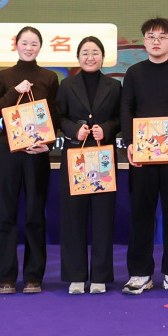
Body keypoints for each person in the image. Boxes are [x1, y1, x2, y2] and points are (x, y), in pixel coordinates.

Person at [119, 17, 168, 296]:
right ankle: (140, 274)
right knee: (141, 214)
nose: (156, 41)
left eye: (162, 37)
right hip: (142, 155)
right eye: (151, 36)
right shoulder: (134, 72)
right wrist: (130, 142)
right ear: (144, 41)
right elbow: (126, 108)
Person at [0, 26, 61, 295]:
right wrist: (13, 92)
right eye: (24, 43)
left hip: (36, 153)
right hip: (8, 151)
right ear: (16, 44)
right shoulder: (3, 76)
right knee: (6, 214)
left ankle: (33, 277)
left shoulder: (49, 77)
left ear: (40, 47)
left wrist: (47, 145)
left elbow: (55, 115)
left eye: (34, 44)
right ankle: (6, 277)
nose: (29, 48)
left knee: (34, 215)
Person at [57, 36, 121, 294]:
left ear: (102, 57)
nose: (90, 57)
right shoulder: (66, 84)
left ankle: (100, 277)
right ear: (78, 57)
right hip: (76, 154)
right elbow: (58, 116)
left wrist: (106, 128)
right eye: (85, 52)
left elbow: (121, 118)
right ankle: (76, 276)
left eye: (95, 52)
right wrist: (74, 129)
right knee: (74, 217)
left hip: (103, 156)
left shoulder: (114, 86)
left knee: (103, 217)